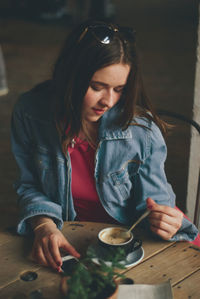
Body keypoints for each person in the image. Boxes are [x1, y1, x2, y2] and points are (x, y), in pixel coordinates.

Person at [11, 19, 199, 272]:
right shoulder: (30, 113)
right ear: (69, 76)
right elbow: (29, 185)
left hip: (134, 240)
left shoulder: (142, 132)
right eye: (96, 87)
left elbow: (155, 203)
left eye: (119, 89)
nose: (108, 101)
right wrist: (43, 224)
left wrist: (165, 220)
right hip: (69, 235)